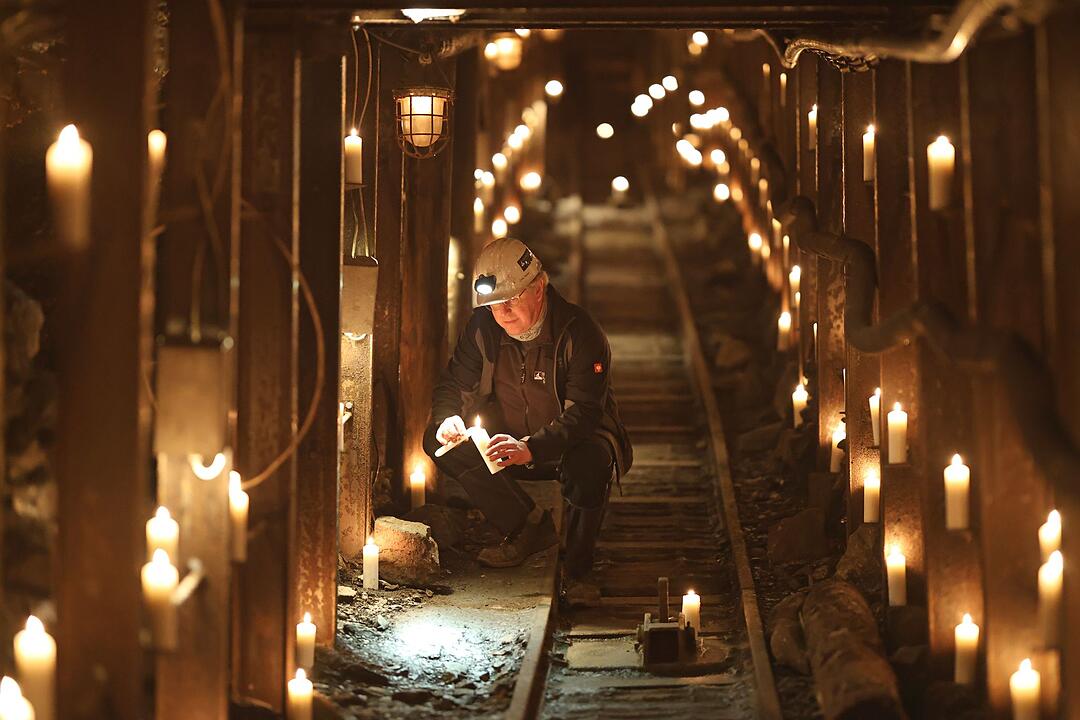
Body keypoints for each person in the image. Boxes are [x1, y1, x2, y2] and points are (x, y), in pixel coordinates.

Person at [424, 237, 632, 595]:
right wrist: (448, 419)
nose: (502, 313)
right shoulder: (482, 328)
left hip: (568, 445)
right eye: (493, 304)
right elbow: (454, 384)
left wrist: (532, 447)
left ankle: (579, 569)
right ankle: (526, 525)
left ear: (539, 288)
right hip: (506, 441)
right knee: (437, 441)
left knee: (590, 466)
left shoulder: (579, 332)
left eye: (511, 300)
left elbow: (584, 413)